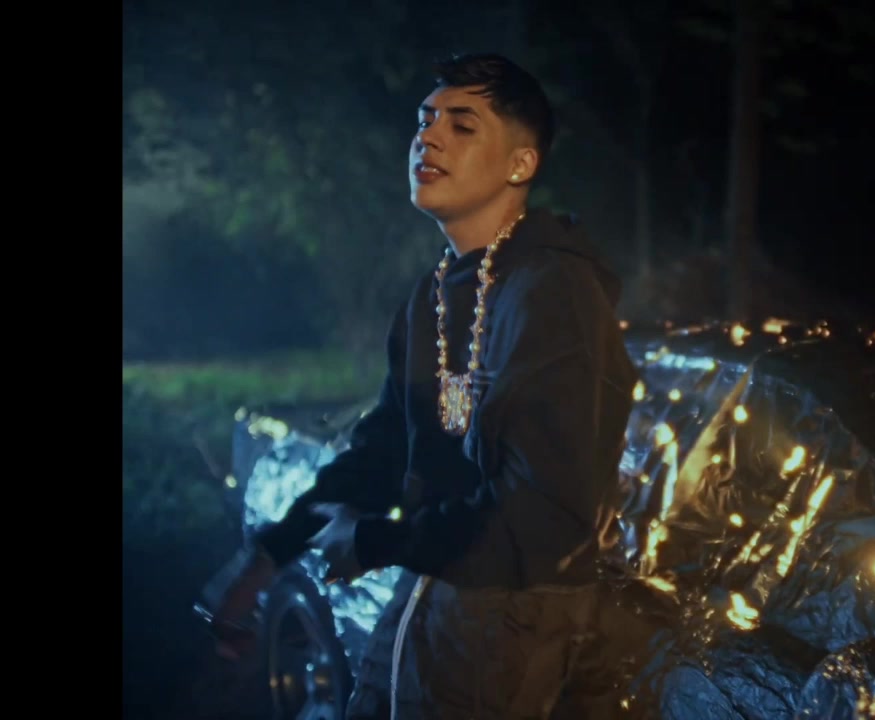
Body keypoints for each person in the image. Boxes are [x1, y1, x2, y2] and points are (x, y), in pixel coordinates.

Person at [209, 53, 657, 718]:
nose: (429, 137)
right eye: (425, 121)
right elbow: (386, 449)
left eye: (462, 125)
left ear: (521, 164)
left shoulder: (554, 290)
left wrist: (375, 542)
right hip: (433, 580)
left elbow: (546, 512)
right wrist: (267, 557)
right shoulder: (436, 291)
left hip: (509, 610)